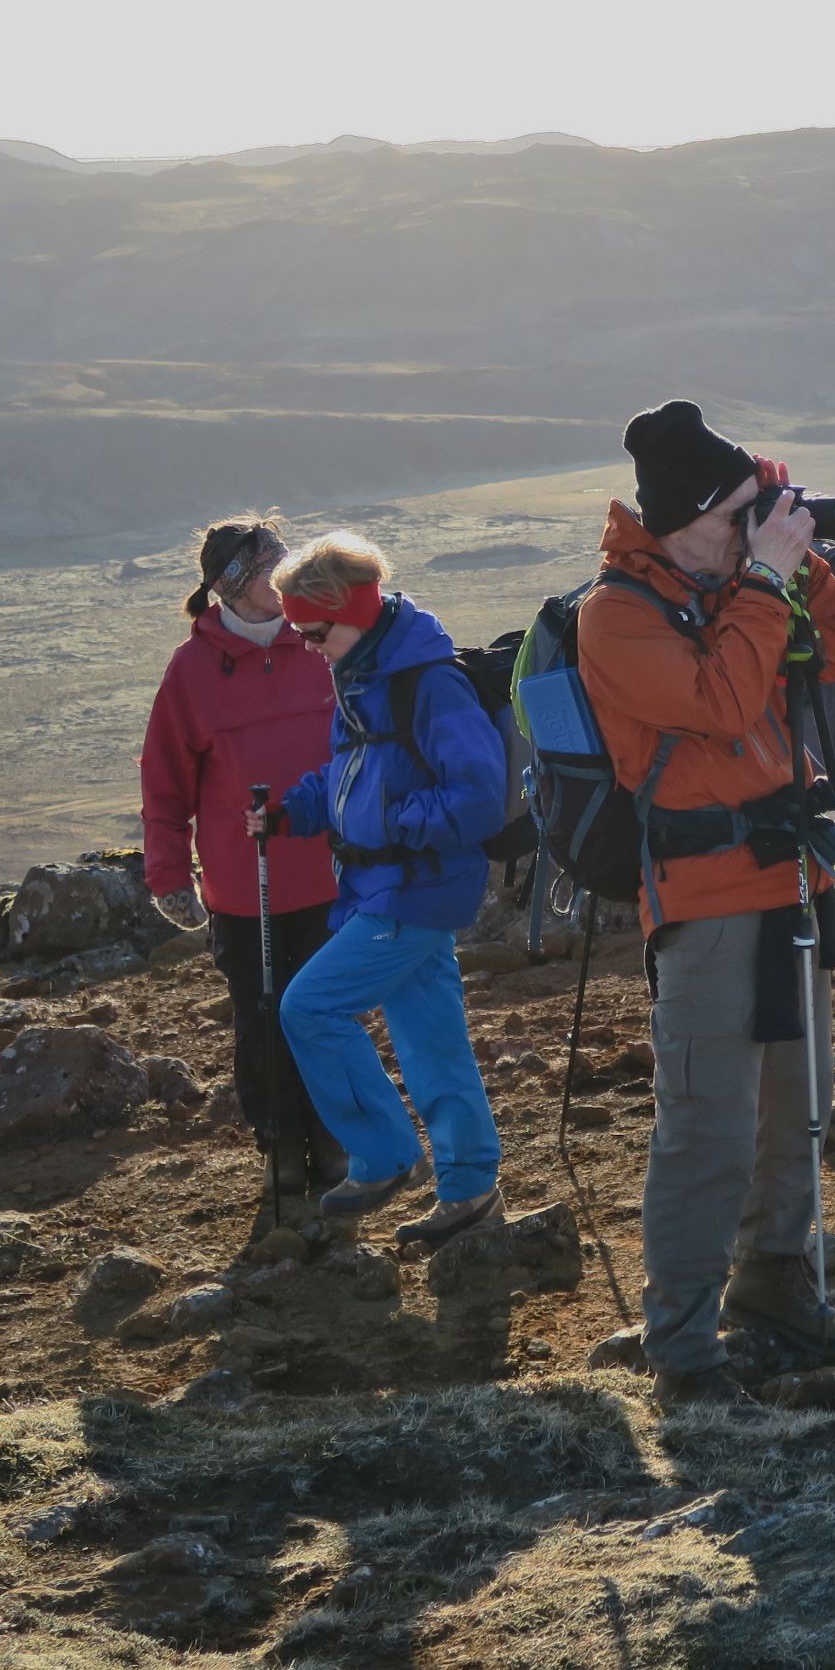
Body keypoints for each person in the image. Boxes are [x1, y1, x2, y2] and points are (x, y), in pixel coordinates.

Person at [576, 400, 835, 1397]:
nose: (755, 527)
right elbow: (723, 703)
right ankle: (685, 1350)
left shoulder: (735, 586)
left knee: (799, 1110)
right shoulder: (615, 614)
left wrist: (798, 562)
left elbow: (834, 656)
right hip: (705, 898)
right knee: (708, 1133)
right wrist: (767, 579)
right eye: (741, 511)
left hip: (791, 876)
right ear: (687, 517)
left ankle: (774, 1280)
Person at [241, 534, 507, 1253]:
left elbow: (480, 797)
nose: (308, 647)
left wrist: (391, 825)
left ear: (353, 612)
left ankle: (384, 1155)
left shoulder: (428, 684)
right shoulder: (361, 675)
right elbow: (347, 775)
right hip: (384, 886)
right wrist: (292, 812)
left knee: (309, 1007)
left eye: (314, 632)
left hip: (413, 890)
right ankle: (470, 1189)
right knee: (432, 1042)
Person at [139, 514, 345, 1200]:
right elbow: (165, 782)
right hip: (244, 890)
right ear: (232, 585)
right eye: (270, 565)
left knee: (329, 1014)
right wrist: (169, 875)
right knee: (262, 1021)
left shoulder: (321, 641)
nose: (287, 572)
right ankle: (280, 1144)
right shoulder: (192, 670)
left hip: (332, 877)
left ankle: (334, 1137)